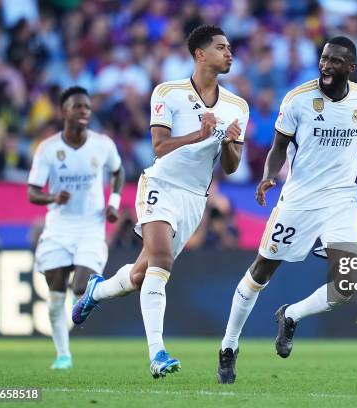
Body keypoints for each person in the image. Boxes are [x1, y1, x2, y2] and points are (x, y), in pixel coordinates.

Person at [71, 25, 249, 379]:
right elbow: (159, 146)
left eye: (230, 47)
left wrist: (229, 144)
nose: (229, 53)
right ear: (200, 54)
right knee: (162, 262)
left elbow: (230, 167)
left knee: (141, 275)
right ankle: (158, 353)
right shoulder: (168, 92)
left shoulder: (237, 106)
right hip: (160, 184)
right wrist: (199, 134)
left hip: (194, 198)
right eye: (221, 47)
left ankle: (97, 290)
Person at [216, 36, 357, 384]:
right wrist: (267, 177)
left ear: (350, 68)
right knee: (263, 270)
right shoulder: (298, 99)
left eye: (335, 61)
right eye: (323, 58)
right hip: (300, 198)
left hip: (341, 197)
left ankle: (291, 315)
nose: (326, 65)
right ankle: (229, 346)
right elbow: (280, 146)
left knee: (348, 284)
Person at [27, 86, 125, 370]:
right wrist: (53, 197)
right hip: (58, 228)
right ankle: (63, 355)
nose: (83, 111)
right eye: (77, 106)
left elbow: (118, 171)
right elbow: (32, 192)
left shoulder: (102, 144)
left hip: (91, 228)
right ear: (64, 111)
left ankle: (85, 293)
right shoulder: (48, 149)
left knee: (80, 286)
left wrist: (114, 202)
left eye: (87, 107)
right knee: (57, 295)